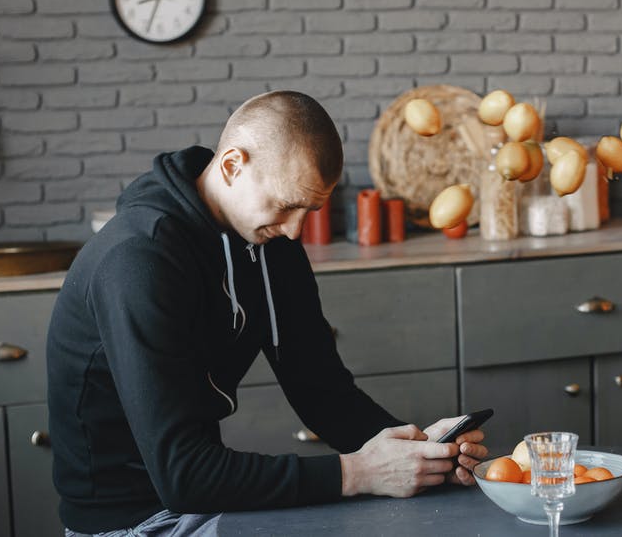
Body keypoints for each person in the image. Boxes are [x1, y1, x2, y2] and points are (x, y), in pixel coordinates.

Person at [47, 91, 488, 536]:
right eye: (286, 204)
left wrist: (422, 453)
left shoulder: (269, 240)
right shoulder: (139, 260)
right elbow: (183, 476)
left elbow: (324, 393)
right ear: (232, 165)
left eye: (310, 210)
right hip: (131, 522)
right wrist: (359, 472)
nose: (296, 230)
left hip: (201, 504)